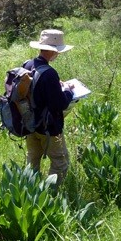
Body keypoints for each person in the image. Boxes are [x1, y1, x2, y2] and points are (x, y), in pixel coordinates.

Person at [23, 29, 74, 187]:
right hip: (48, 127)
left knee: (33, 158)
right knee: (60, 161)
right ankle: (50, 195)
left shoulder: (28, 64)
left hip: (30, 123)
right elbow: (59, 104)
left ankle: (28, 189)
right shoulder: (50, 73)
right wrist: (68, 91)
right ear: (54, 52)